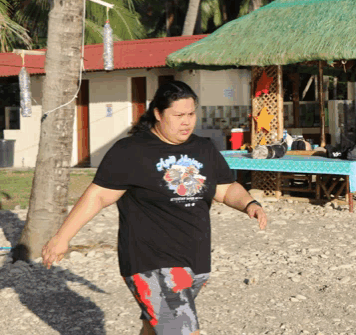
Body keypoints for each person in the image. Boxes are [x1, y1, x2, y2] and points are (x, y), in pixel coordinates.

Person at [42, 80, 267, 335]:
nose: (187, 121)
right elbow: (98, 196)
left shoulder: (203, 148)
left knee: (154, 327)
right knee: (181, 330)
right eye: (178, 115)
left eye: (191, 114)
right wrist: (62, 238)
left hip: (194, 260)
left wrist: (249, 203)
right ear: (158, 114)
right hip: (150, 260)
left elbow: (225, 188)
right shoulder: (131, 151)